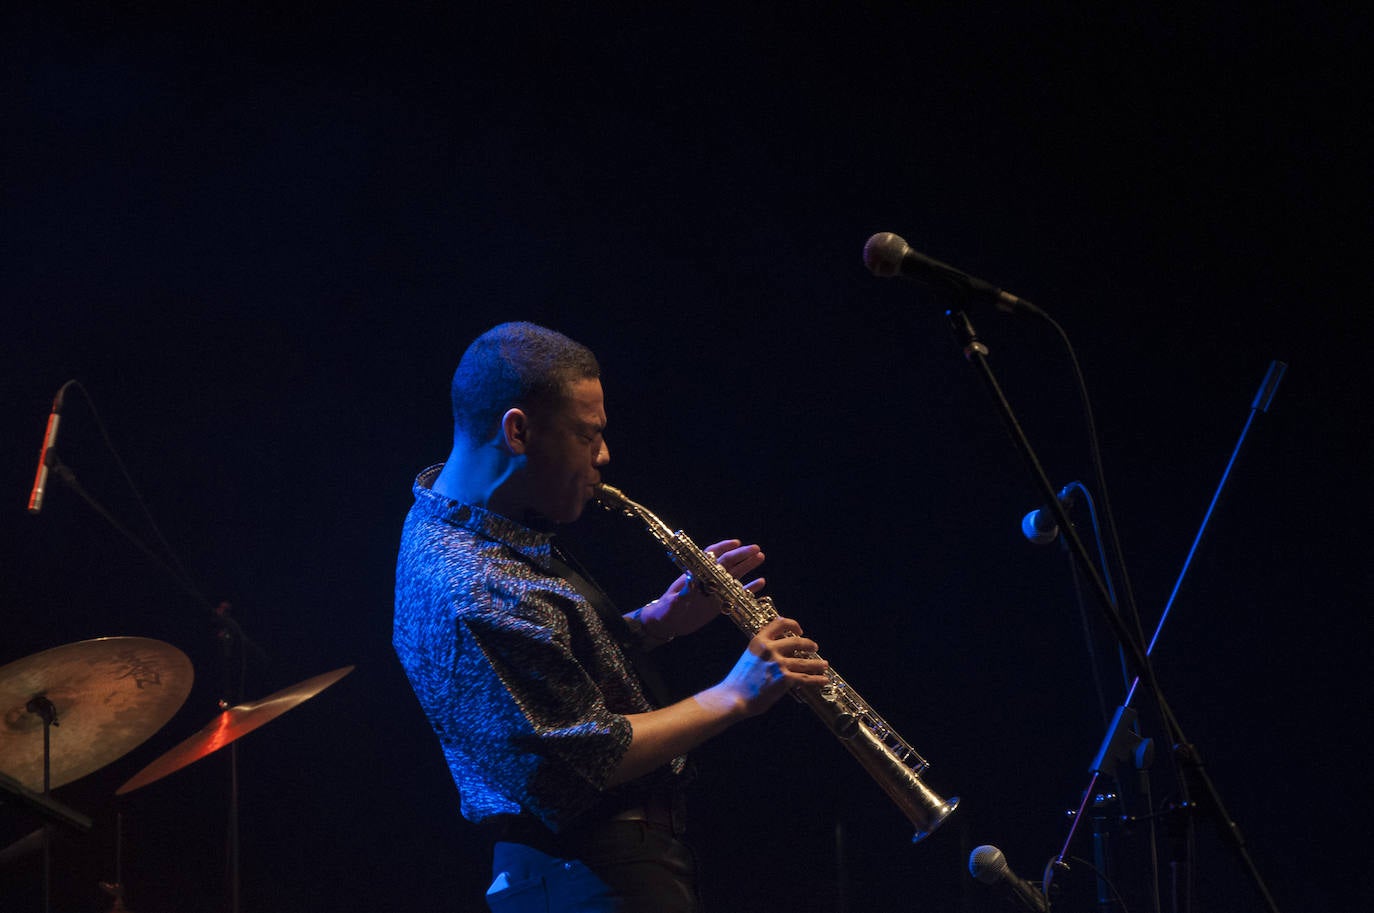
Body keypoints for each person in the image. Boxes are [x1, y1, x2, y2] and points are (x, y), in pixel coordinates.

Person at [393, 321, 829, 912]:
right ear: (517, 430)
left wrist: (657, 620)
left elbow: (537, 667)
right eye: (586, 435)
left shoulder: (465, 522)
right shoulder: (471, 580)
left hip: (593, 867)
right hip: (587, 873)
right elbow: (591, 751)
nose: (604, 456)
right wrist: (736, 693)